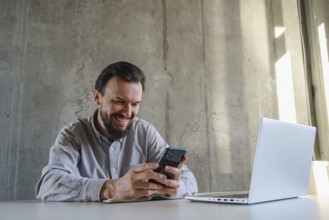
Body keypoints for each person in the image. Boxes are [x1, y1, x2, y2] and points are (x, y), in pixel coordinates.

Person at [35, 61, 198, 201]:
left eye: (135, 104)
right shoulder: (73, 134)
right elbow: (48, 184)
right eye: (119, 101)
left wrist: (174, 188)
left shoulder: (145, 132)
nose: (127, 113)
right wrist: (111, 188)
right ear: (97, 98)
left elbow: (190, 182)